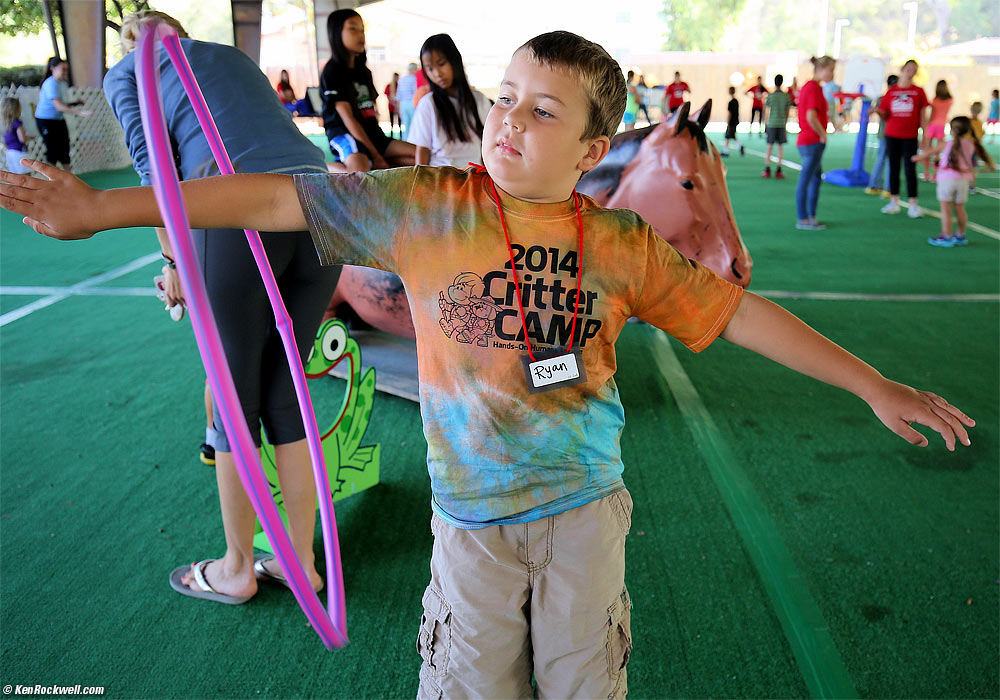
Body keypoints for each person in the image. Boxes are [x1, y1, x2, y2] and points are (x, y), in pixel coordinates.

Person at [5, 30, 974, 699]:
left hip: (585, 519)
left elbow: (737, 313)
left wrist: (871, 382)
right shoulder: (428, 203)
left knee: (582, 680)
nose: (507, 120)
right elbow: (272, 203)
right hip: (469, 530)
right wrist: (109, 210)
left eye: (541, 111)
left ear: (595, 145)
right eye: (504, 98)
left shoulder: (621, 242)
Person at [103, 11, 341, 601]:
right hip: (322, 203)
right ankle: (302, 563)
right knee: (286, 389)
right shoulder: (231, 57)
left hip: (237, 211)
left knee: (234, 403)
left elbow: (155, 167)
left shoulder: (128, 70)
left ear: (138, 41)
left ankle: (238, 567)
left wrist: (176, 263)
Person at [319, 9, 414, 172]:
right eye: (353, 28)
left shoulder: (364, 72)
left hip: (372, 135)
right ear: (336, 33)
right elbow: (348, 119)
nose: (360, 35)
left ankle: (368, 163)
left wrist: (378, 153)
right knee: (360, 176)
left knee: (421, 157)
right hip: (346, 134)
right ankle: (324, 168)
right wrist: (376, 155)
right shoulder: (332, 71)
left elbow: (371, 111)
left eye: (362, 29)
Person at [408, 33, 492, 167]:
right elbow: (423, 149)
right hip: (440, 178)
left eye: (441, 64)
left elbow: (488, 144)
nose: (437, 73)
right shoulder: (428, 104)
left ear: (455, 61)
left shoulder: (480, 100)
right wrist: (421, 182)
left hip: (474, 177)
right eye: (430, 69)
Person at [913, 116, 995, 247]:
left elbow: (926, 154)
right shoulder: (971, 144)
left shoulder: (947, 144)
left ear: (952, 130)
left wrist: (916, 158)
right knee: (960, 208)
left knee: (946, 209)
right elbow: (991, 165)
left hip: (947, 180)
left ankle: (946, 236)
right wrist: (976, 171)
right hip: (963, 181)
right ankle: (960, 235)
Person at [878, 59, 929, 219]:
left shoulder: (918, 92)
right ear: (902, 69)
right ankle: (894, 202)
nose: (911, 72)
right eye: (909, 69)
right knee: (893, 168)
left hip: (910, 136)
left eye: (914, 70)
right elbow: (885, 113)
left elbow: (923, 116)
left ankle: (913, 204)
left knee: (910, 169)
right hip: (892, 135)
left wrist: (925, 136)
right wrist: (876, 111)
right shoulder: (891, 92)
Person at [795, 56, 834, 230]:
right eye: (830, 69)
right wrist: (822, 134)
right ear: (820, 69)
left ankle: (811, 216)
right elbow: (811, 116)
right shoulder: (813, 88)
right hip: (811, 141)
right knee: (806, 180)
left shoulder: (811, 87)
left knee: (815, 179)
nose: (832, 73)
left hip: (808, 141)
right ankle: (803, 218)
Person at [33, 57, 91, 171]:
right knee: (52, 149)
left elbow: (61, 103)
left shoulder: (62, 84)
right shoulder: (50, 84)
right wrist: (80, 113)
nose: (65, 72)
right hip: (46, 121)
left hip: (58, 119)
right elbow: (58, 106)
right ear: (53, 68)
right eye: (63, 69)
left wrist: (75, 103)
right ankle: (50, 180)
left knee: (64, 147)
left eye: (66, 69)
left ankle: (68, 177)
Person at [865, 75, 899, 197]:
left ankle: (874, 185)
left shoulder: (881, 99)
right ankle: (888, 188)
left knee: (881, 159)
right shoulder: (896, 99)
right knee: (890, 161)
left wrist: (875, 110)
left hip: (884, 134)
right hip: (892, 134)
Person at [762, 74, 790, 179]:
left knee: (769, 146)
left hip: (772, 123)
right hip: (781, 123)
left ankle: (767, 169)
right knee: (780, 147)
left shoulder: (770, 96)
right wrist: (785, 121)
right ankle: (779, 170)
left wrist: (765, 123)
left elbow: (766, 110)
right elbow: (787, 111)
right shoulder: (786, 96)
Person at [924, 80, 953, 181]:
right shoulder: (950, 100)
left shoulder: (935, 100)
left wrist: (927, 124)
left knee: (927, 149)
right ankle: (935, 175)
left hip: (932, 125)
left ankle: (926, 173)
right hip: (941, 126)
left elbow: (932, 114)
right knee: (937, 152)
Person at [2, 96, 34, 175]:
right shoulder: (17, 122)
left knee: (17, 177)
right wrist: (30, 137)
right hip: (19, 152)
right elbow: (22, 139)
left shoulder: (5, 124)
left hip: (9, 153)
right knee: (27, 177)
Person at [396, 62, 418, 134]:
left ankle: (406, 141)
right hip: (412, 103)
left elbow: (399, 95)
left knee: (405, 125)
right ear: (414, 69)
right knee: (414, 124)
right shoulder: (415, 79)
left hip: (403, 104)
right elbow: (416, 92)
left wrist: (399, 108)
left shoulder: (402, 79)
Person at [722, 86, 743, 157]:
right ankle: (739, 146)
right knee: (731, 136)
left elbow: (730, 113)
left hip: (731, 121)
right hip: (736, 120)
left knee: (728, 136)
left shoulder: (731, 102)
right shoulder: (736, 101)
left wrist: (728, 122)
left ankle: (726, 151)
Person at [384, 72, 401, 137]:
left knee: (399, 122)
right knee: (391, 122)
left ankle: (400, 135)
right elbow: (388, 96)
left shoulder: (399, 85)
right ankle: (391, 135)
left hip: (398, 107)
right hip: (392, 106)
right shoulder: (389, 86)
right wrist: (394, 104)